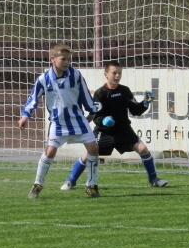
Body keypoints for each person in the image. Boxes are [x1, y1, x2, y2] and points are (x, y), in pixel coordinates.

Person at [62, 61, 167, 190]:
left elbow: (135, 110)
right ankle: (70, 181)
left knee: (143, 149)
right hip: (104, 132)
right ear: (106, 74)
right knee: (88, 153)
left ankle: (154, 180)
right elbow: (95, 115)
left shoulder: (125, 91)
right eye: (114, 73)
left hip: (123, 130)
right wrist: (103, 120)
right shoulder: (100, 93)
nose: (117, 76)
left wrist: (146, 102)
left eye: (119, 73)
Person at [18, 43, 101, 198]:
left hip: (78, 120)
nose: (67, 62)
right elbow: (33, 98)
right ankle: (37, 184)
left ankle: (92, 185)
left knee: (94, 148)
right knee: (50, 152)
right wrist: (25, 116)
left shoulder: (75, 75)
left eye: (69, 59)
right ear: (53, 59)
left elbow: (85, 96)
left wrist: (92, 111)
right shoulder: (44, 79)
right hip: (58, 123)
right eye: (64, 59)